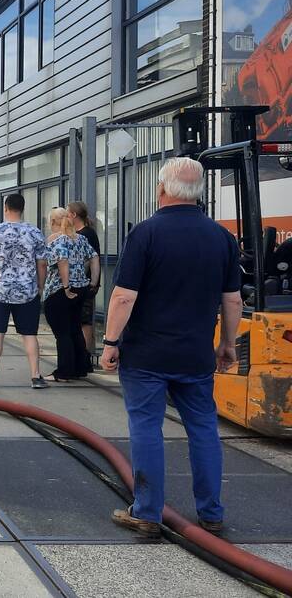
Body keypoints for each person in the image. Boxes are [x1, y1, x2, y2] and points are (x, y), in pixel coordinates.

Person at [101, 158, 240, 538]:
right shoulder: (222, 238)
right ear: (198, 193)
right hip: (195, 355)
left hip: (146, 355)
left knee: (146, 427)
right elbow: (233, 301)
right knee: (203, 429)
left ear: (161, 189)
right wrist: (227, 344)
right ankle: (211, 513)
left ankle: (147, 512)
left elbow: (124, 297)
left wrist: (111, 342)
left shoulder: (146, 234)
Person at [0, 193, 49, 389]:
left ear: (5, 208)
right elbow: (42, 264)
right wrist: (40, 286)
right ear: (22, 209)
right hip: (27, 291)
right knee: (29, 334)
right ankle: (36, 376)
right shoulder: (34, 232)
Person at [43, 207, 99, 382]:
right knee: (75, 328)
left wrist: (66, 286)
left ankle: (64, 372)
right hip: (81, 288)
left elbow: (62, 261)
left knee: (62, 332)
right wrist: (93, 282)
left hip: (60, 290)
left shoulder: (55, 239)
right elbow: (95, 258)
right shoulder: (80, 238)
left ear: (52, 222)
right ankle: (80, 367)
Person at [67, 201, 102, 360]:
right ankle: (82, 355)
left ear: (74, 215)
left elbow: (90, 259)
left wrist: (85, 280)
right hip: (85, 283)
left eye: (68, 214)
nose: (66, 217)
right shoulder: (85, 232)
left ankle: (85, 356)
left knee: (84, 321)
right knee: (80, 319)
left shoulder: (85, 234)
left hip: (85, 283)